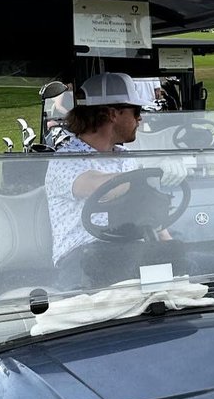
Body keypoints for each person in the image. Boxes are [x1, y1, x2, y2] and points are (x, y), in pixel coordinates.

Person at [44, 72, 185, 286]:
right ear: (112, 113)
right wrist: (152, 169)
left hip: (132, 253)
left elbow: (146, 211)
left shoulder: (126, 158)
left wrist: (175, 253)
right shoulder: (66, 158)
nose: (140, 118)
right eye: (136, 111)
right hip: (81, 264)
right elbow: (102, 187)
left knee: (212, 270)